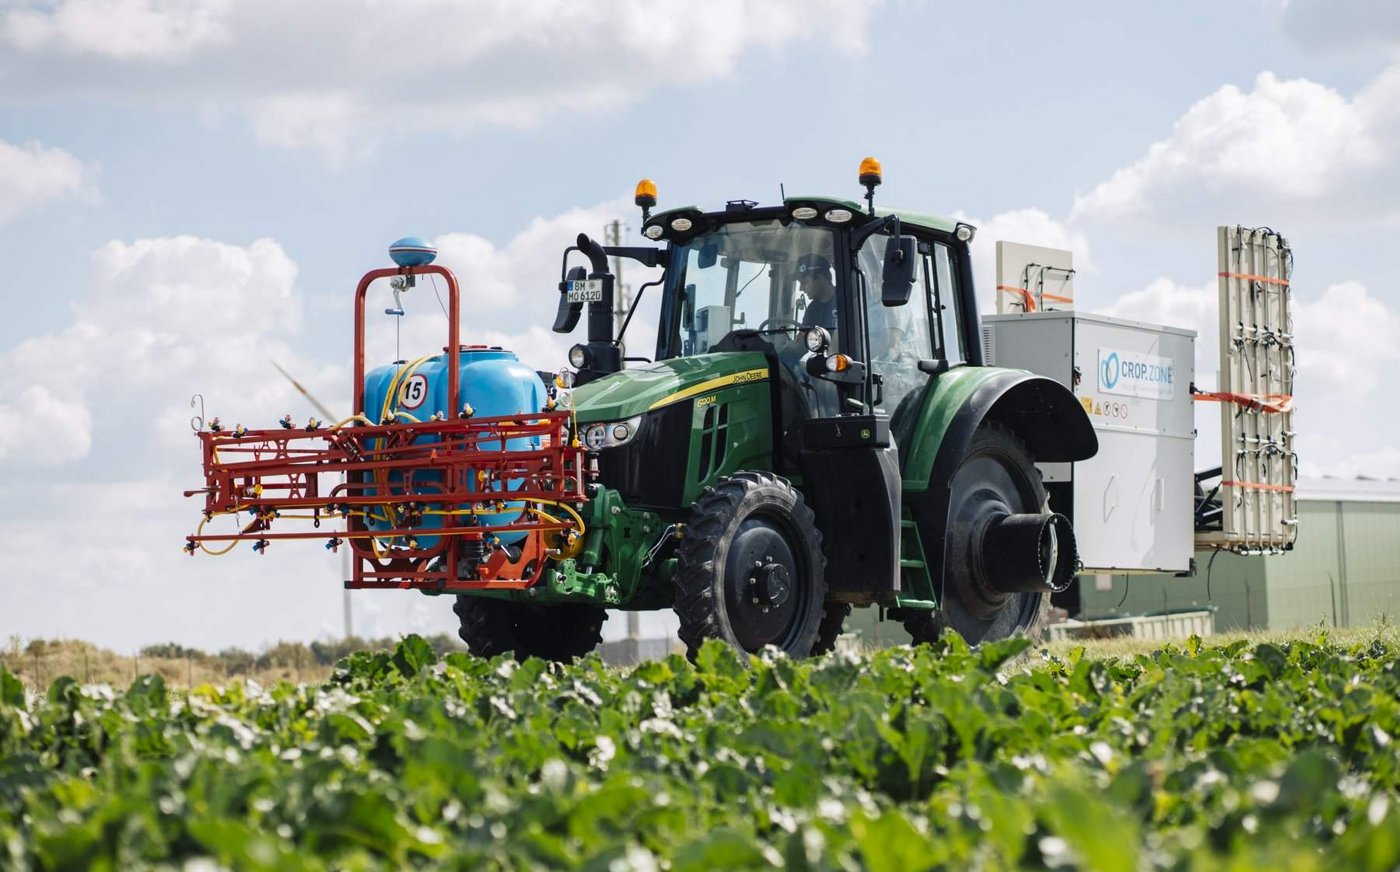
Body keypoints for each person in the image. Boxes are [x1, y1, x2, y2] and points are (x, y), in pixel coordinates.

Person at [796, 254, 838, 333]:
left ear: (820, 278)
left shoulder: (847, 300)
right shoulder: (811, 310)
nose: (800, 288)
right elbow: (802, 341)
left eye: (804, 283)